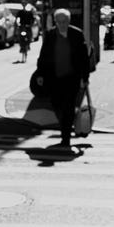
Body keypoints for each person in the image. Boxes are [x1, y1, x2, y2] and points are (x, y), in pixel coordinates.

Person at [35, 8, 90, 150]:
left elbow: (84, 58)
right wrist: (40, 74)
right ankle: (65, 124)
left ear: (69, 21)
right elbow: (44, 55)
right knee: (56, 104)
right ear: (55, 22)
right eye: (58, 22)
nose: (61, 24)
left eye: (64, 21)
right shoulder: (51, 35)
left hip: (72, 77)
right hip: (54, 78)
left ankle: (66, 137)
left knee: (69, 107)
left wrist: (85, 77)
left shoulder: (77, 34)